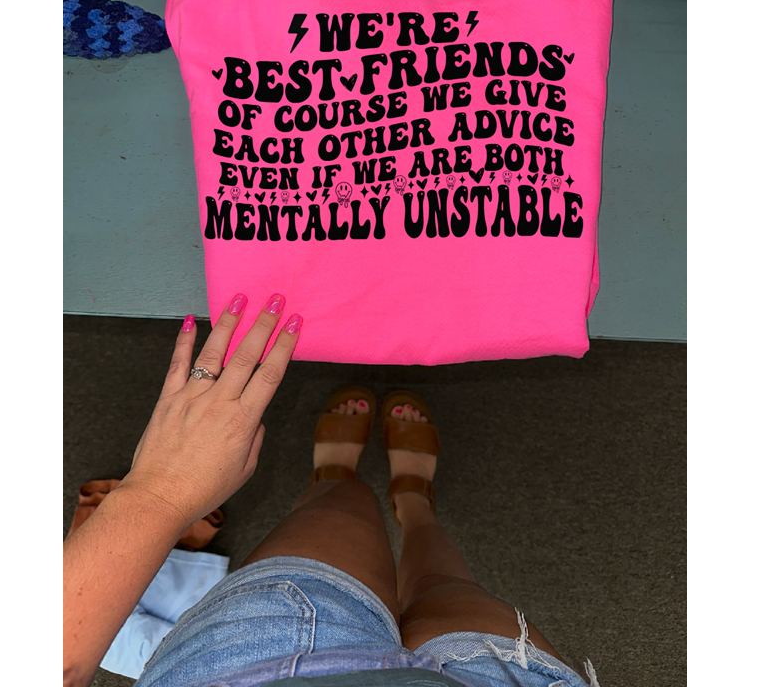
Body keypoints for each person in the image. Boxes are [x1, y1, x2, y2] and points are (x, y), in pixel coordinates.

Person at [63, 292, 599, 687]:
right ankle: (413, 503)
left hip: (256, 665)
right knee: (444, 588)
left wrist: (160, 493)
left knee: (342, 507)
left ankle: (341, 478)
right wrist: (157, 492)